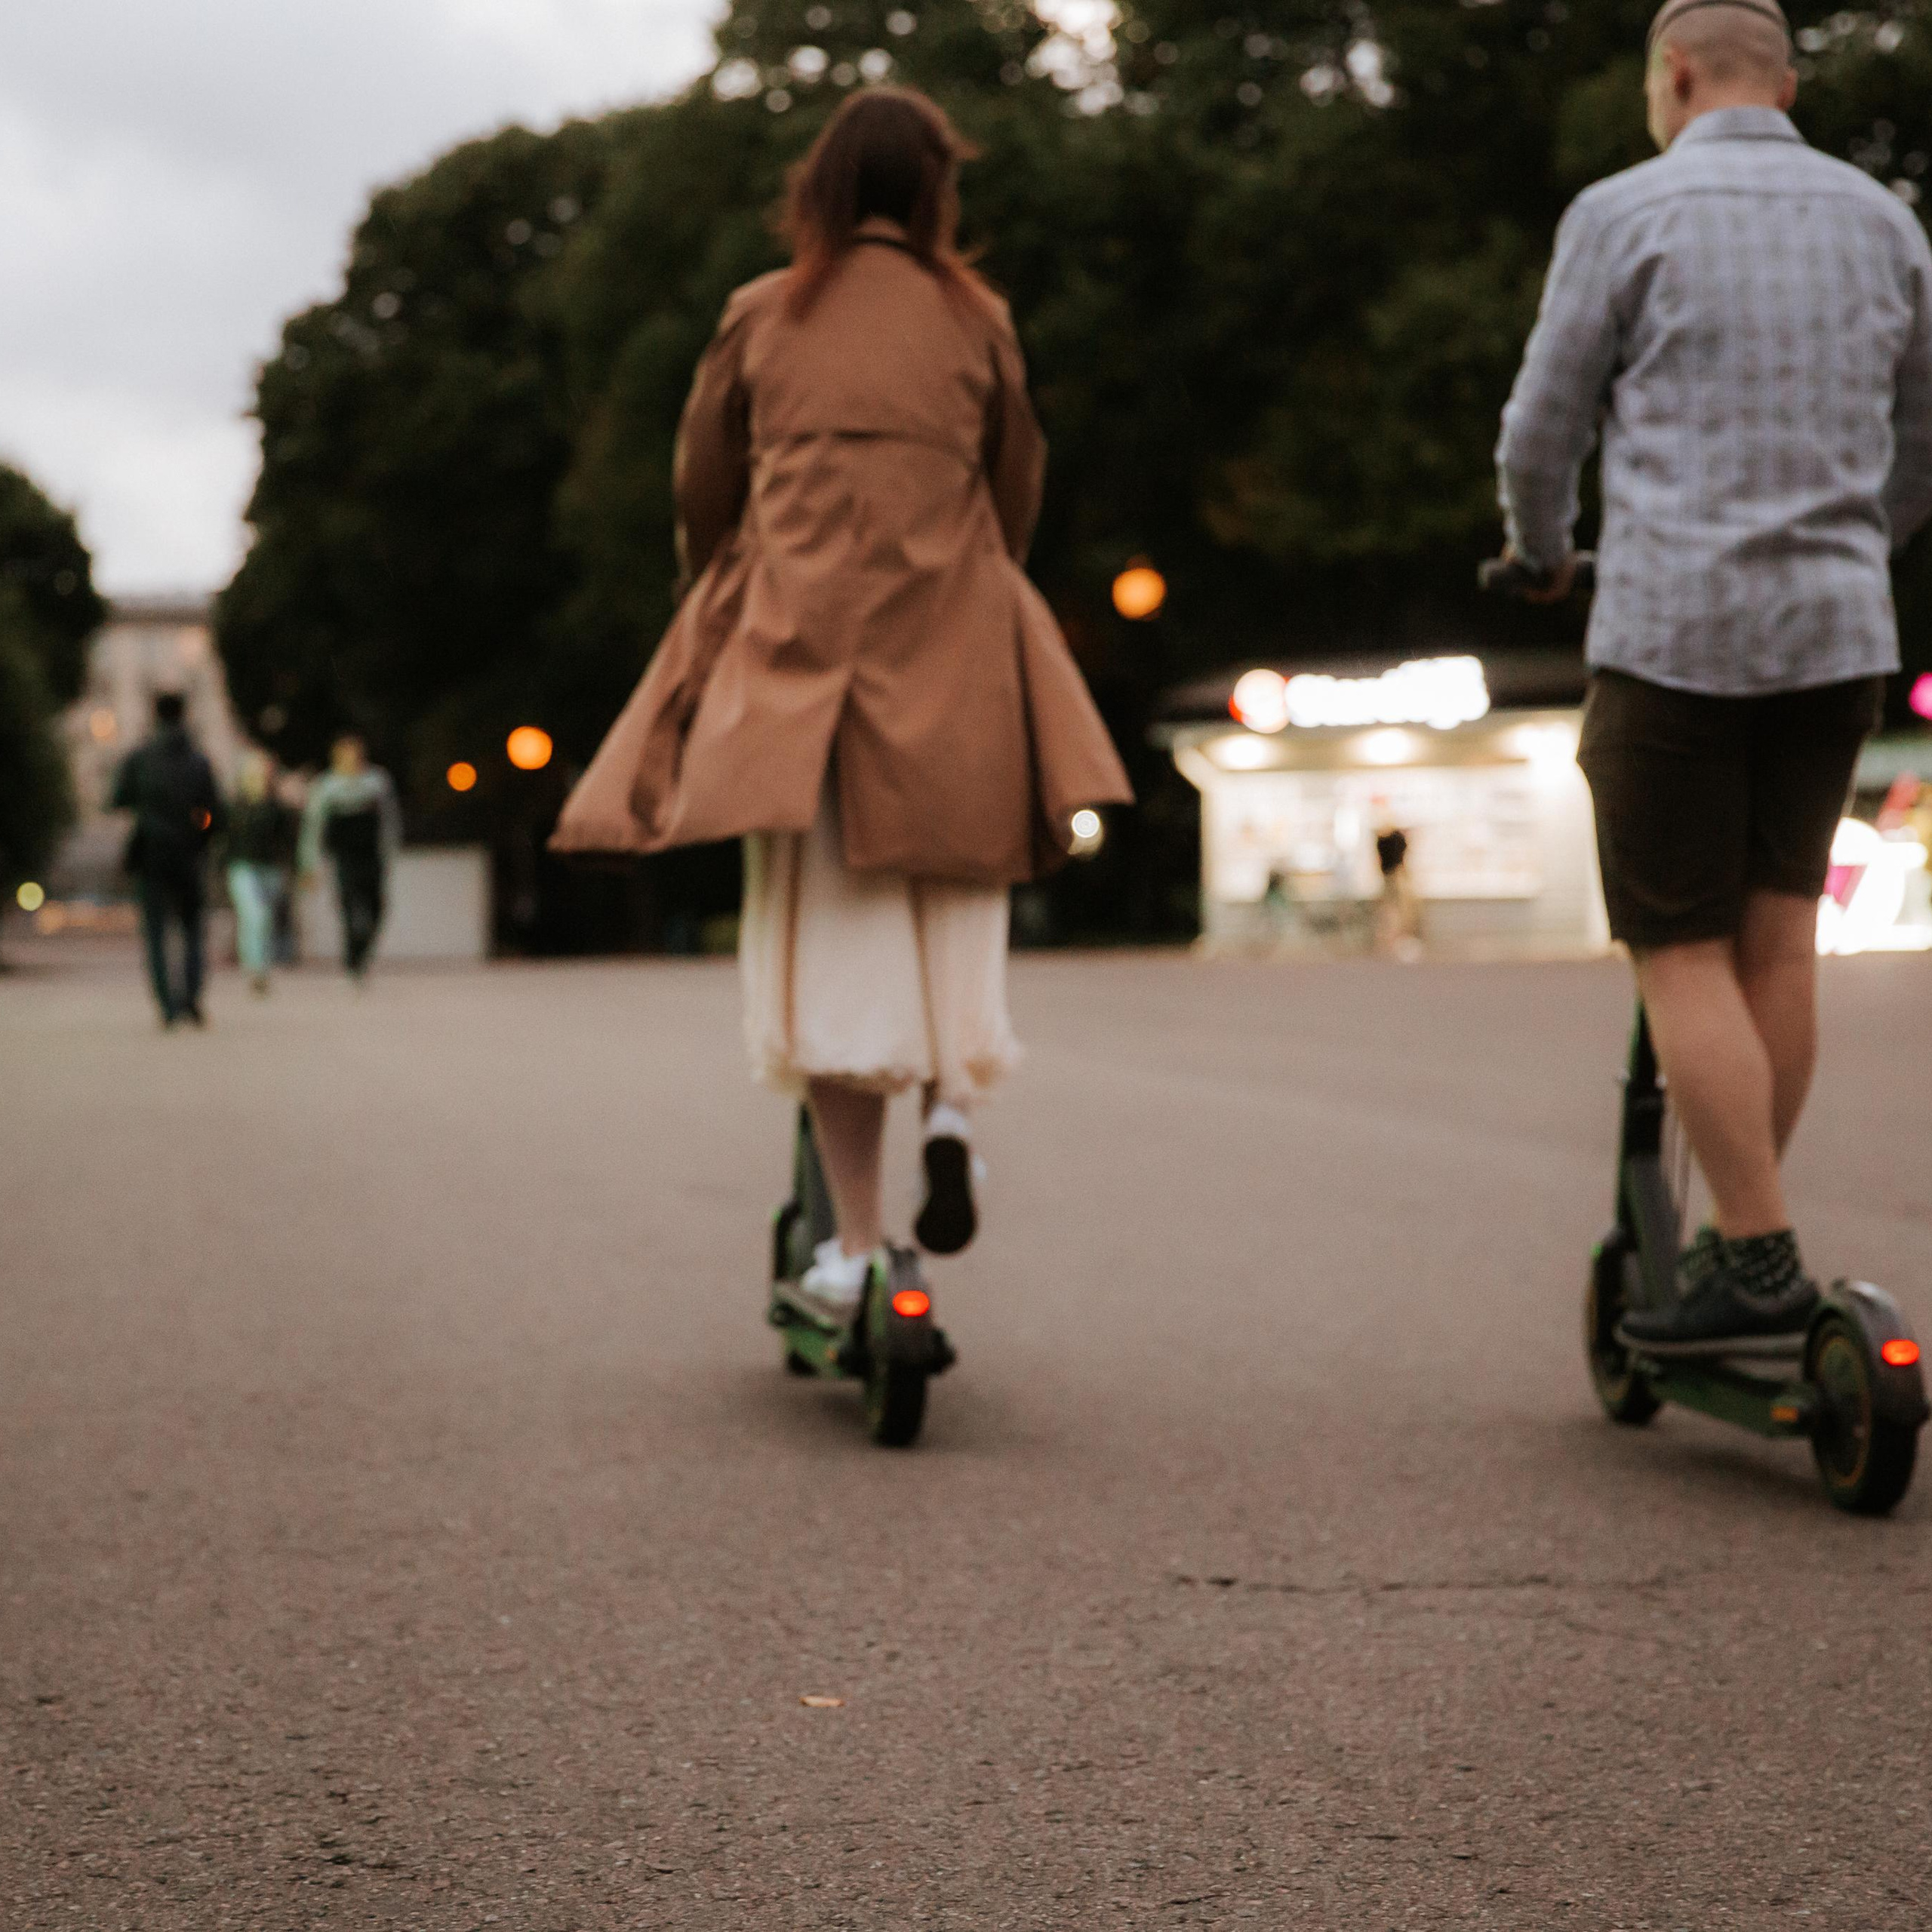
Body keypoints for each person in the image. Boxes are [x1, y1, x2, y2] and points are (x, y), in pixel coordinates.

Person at [552, 87, 1131, 1322]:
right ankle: (957, 1122)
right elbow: (1016, 483)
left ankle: (857, 1250)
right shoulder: (978, 320)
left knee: (835, 963)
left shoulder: (763, 315)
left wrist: (724, 575)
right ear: (934, 194)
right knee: (951, 921)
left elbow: (703, 487)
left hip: (805, 670)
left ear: (818, 188)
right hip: (957, 657)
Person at [1497, 0, 1932, 1354]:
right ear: (1788, 88)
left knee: (1680, 950)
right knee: (1778, 934)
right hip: (1834, 633)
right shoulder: (1886, 222)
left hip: (1676, 634)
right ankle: (1744, 1233)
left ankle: (1750, 1249)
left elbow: (1542, 426)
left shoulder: (1624, 214)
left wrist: (1540, 551)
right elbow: (1924, 439)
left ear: (1674, 77)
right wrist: (1861, 542)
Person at [112, 690, 225, 1028]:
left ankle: (167, 1004)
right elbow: (215, 814)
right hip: (189, 854)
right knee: (192, 929)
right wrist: (200, 838)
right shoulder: (199, 762)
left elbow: (119, 799)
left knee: (156, 933)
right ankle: (191, 996)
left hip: (151, 854)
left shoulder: (139, 758)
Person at [298, 734, 401, 980]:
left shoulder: (377, 782)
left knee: (377, 907)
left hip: (371, 854)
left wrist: (390, 850)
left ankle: (362, 951)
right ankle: (352, 956)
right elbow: (313, 827)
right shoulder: (327, 786)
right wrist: (308, 864)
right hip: (344, 856)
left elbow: (390, 820)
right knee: (349, 906)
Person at [224, 750, 297, 995]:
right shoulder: (235, 806)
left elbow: (289, 841)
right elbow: (224, 841)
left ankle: (262, 966)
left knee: (264, 920)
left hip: (270, 869)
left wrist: (294, 869)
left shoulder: (277, 808)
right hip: (242, 868)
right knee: (254, 916)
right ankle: (254, 968)